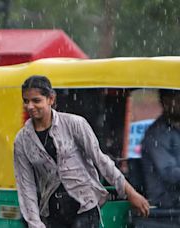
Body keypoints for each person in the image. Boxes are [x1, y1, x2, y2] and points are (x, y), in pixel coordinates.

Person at [13, 75, 149, 228]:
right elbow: (26, 186)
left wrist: (130, 193)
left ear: (51, 99)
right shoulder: (22, 140)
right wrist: (34, 223)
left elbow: (101, 160)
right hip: (53, 212)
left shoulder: (74, 124)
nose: (30, 106)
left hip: (85, 206)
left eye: (36, 100)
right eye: (26, 101)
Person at [141, 89, 180, 209]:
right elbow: (169, 174)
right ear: (166, 102)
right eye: (179, 100)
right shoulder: (156, 134)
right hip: (166, 204)